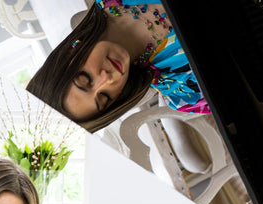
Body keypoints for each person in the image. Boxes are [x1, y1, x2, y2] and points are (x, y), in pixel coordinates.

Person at [26, 2, 208, 133]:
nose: (107, 78)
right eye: (105, 96)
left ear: (67, 56)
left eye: (85, 78)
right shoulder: (186, 92)